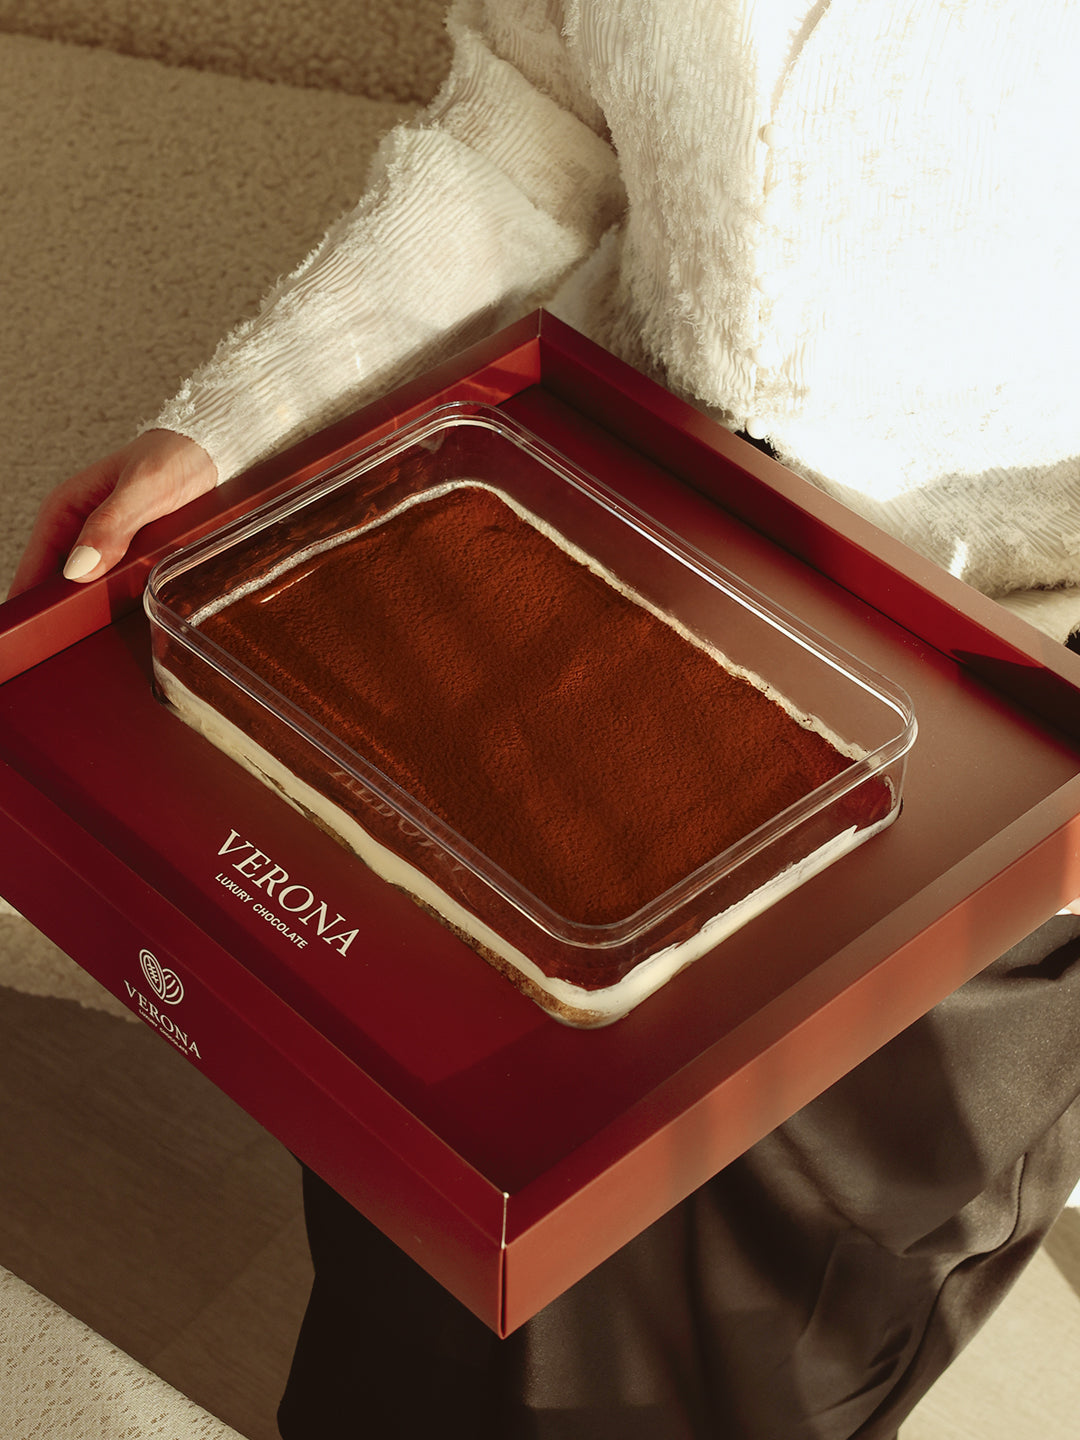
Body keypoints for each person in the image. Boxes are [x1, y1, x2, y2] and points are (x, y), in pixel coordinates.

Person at [12, 2, 1080, 1435]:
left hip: (988, 731)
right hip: (567, 549)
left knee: (725, 1360)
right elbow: (534, 125)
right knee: (411, 1247)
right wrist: (236, 418)